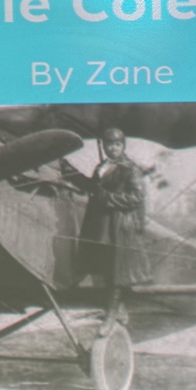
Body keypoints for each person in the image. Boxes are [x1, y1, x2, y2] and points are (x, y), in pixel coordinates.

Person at [78, 128, 151, 335]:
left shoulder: (130, 169)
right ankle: (117, 309)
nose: (113, 148)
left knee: (116, 272)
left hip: (119, 226)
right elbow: (94, 188)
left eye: (117, 144)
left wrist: (108, 198)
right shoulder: (101, 167)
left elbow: (136, 197)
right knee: (102, 268)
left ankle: (110, 316)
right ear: (104, 146)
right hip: (100, 225)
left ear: (123, 146)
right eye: (109, 144)